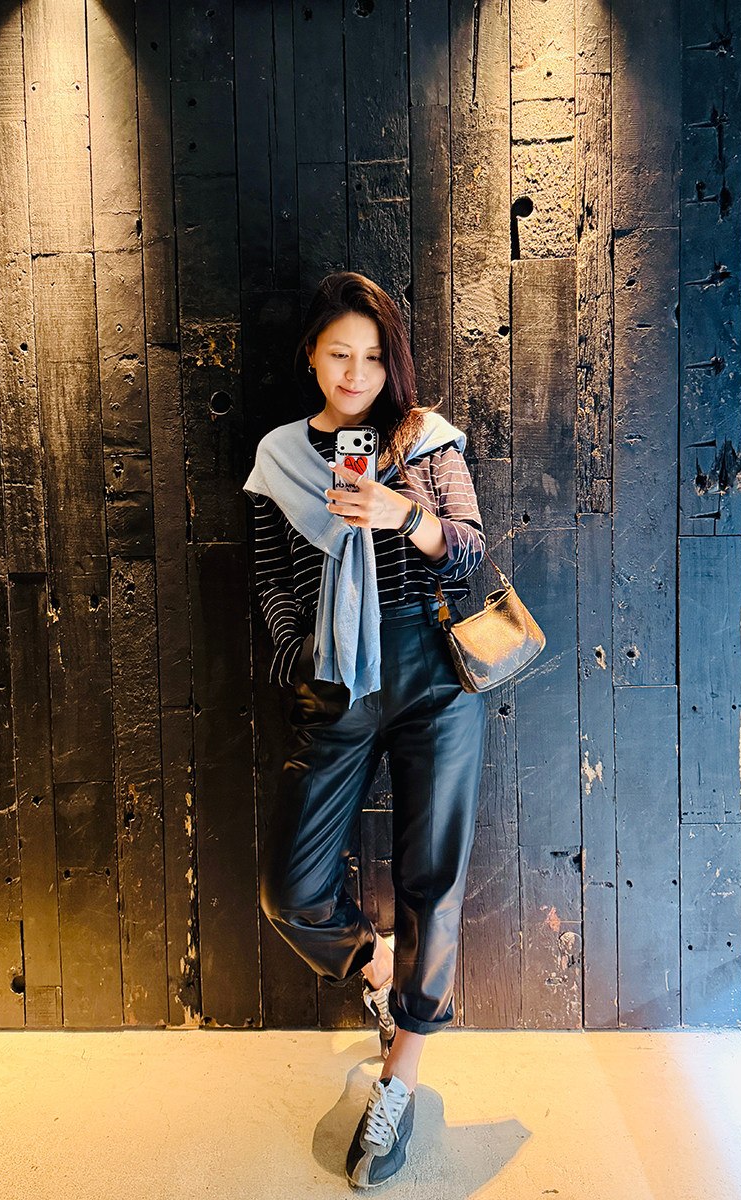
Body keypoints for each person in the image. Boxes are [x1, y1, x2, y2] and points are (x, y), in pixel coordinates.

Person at [242, 272, 489, 1187]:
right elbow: (270, 580)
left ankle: (401, 1079)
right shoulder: (278, 458)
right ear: (311, 355)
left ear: (393, 363)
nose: (356, 373)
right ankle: (375, 966)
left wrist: (403, 513)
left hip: (433, 670)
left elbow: (470, 548)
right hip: (338, 679)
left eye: (374, 356)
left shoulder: (424, 439)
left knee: (433, 879)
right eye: (340, 353)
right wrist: (302, 662)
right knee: (291, 890)